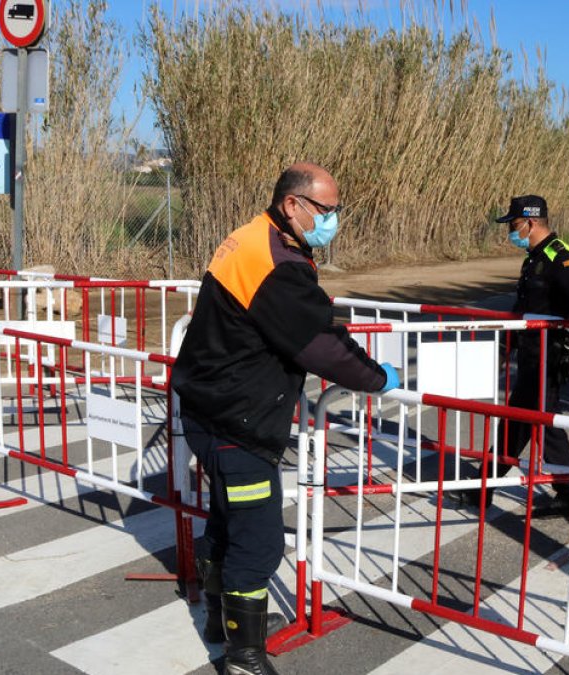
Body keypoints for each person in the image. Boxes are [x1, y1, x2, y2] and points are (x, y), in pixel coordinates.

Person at [172, 162, 399, 675]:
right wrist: (377, 377)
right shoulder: (278, 263)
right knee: (259, 539)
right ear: (293, 205)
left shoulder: (253, 236)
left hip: (211, 405)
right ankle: (244, 658)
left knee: (230, 519)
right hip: (239, 419)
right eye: (327, 210)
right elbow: (318, 343)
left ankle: (219, 620)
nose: (334, 219)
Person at [463, 195, 569, 518]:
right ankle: (488, 486)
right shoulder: (532, 258)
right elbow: (521, 310)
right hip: (532, 354)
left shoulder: (558, 255)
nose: (511, 230)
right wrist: (506, 347)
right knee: (524, 420)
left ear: (531, 222)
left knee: (540, 422)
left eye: (514, 224)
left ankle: (562, 492)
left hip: (550, 357)